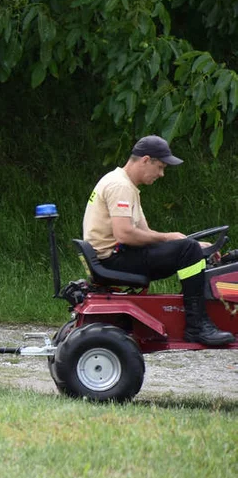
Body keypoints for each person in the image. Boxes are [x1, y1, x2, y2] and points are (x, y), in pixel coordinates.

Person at [83, 135, 233, 345]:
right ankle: (197, 326)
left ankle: (197, 317)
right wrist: (176, 241)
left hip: (115, 255)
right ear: (146, 160)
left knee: (189, 249)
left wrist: (196, 246)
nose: (161, 174)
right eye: (160, 167)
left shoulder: (125, 185)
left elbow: (145, 233)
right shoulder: (120, 186)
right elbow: (124, 234)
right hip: (113, 259)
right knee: (187, 250)